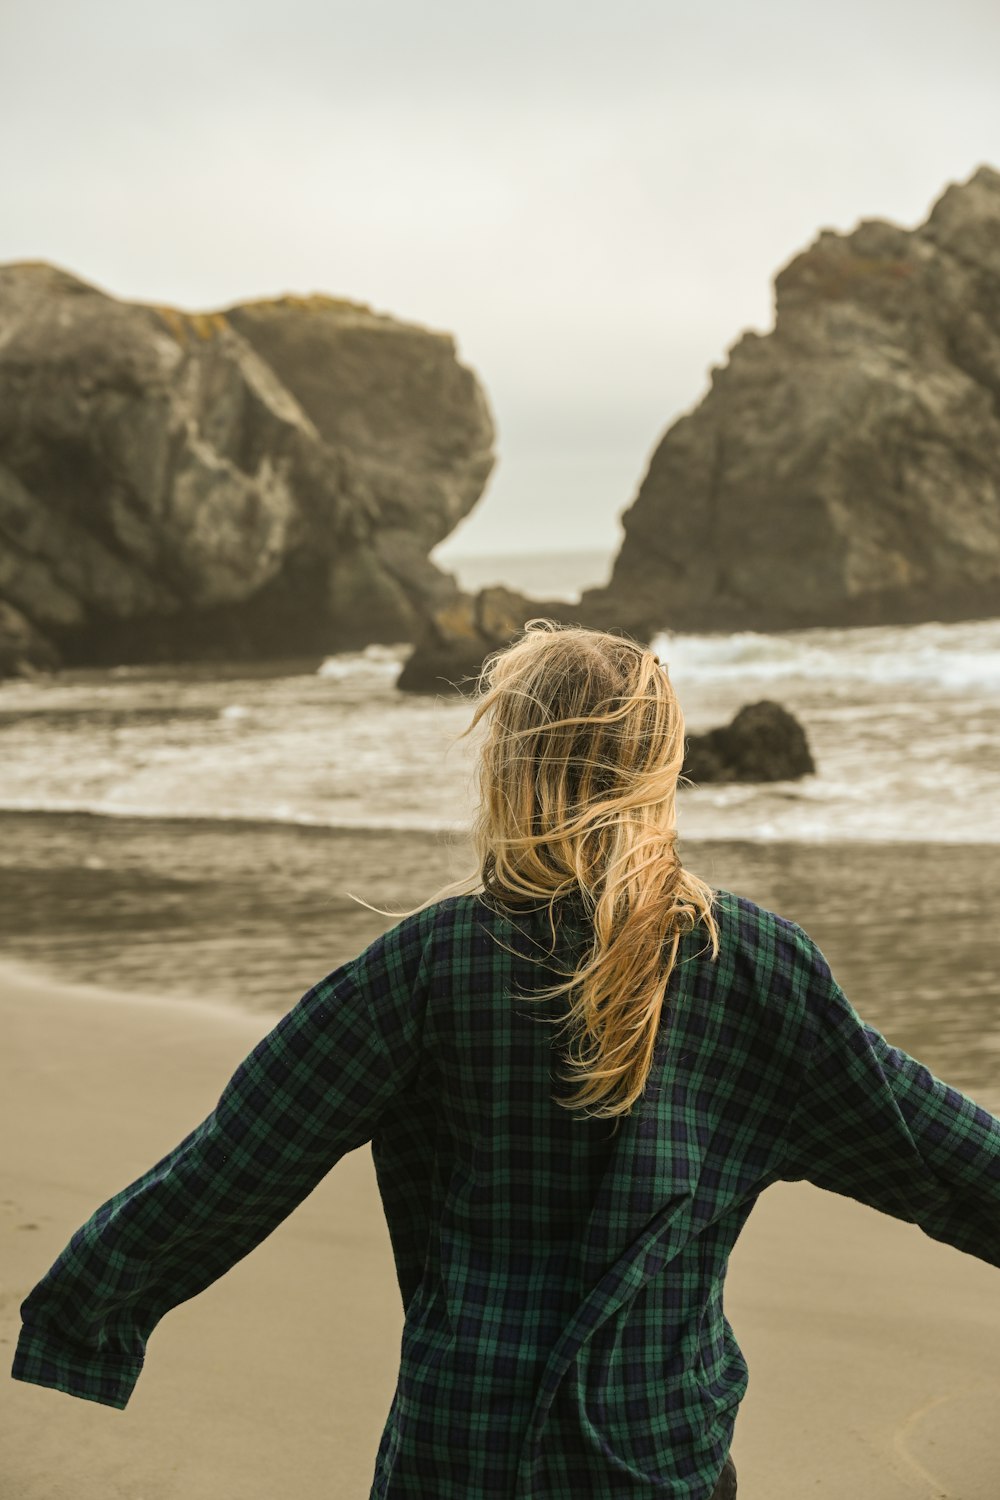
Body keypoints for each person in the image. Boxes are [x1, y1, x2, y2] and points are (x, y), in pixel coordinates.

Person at [10, 620, 1000, 1500]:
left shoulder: (427, 965)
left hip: (461, 1446)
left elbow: (238, 1160)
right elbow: (928, 1146)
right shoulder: (750, 967)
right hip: (657, 1451)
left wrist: (86, 1310)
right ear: (663, 767)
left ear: (509, 766)